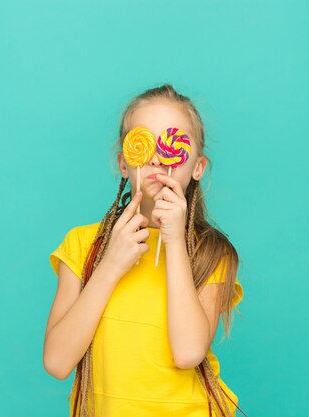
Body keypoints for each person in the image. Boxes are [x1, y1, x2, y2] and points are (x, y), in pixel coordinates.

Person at [43, 83, 247, 417]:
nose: (156, 157)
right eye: (144, 142)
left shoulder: (212, 253)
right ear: (125, 163)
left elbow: (187, 353)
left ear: (198, 166)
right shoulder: (83, 246)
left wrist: (175, 242)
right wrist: (110, 266)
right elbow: (56, 361)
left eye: (172, 144)